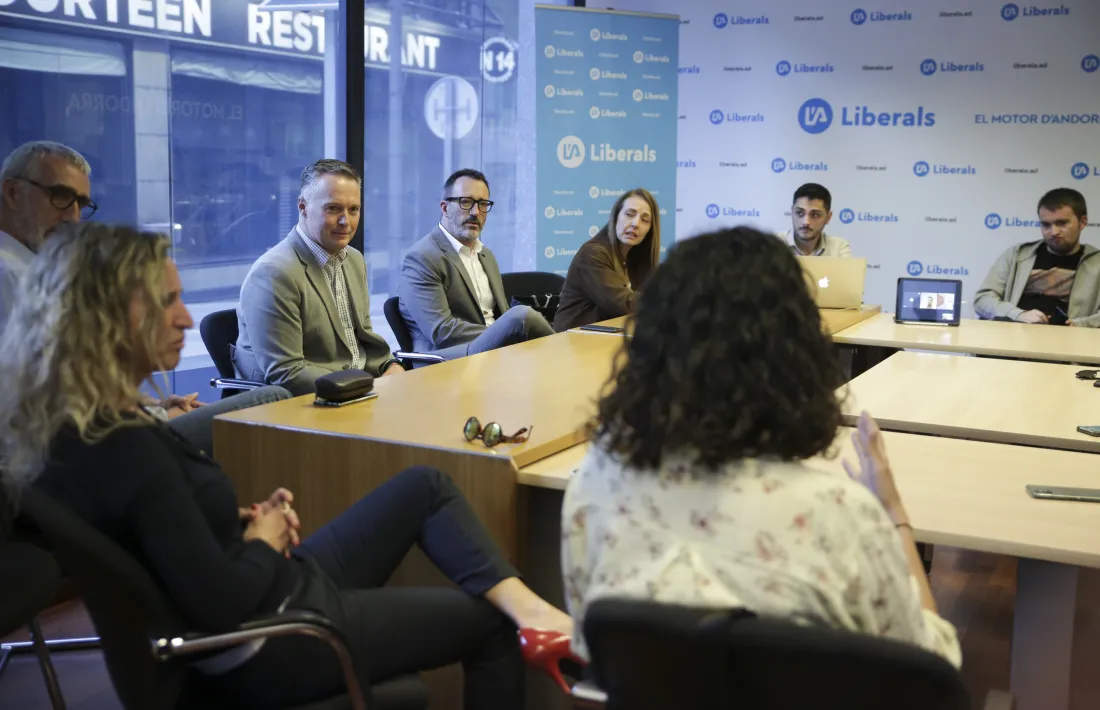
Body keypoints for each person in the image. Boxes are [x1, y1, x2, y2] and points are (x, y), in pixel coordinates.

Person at [0, 222, 579, 709]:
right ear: (105, 315)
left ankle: (531, 606)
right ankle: (531, 617)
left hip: (270, 591)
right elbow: (221, 600)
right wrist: (264, 536)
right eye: (165, 301)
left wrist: (238, 530)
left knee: (424, 486)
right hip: (269, 634)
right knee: (491, 627)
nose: (183, 318)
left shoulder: (77, 429)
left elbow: (168, 545)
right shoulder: (124, 446)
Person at [561, 226, 960, 667]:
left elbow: (588, 647)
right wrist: (895, 517)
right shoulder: (841, 515)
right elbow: (933, 663)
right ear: (796, 354)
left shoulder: (594, 485)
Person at [0, 140, 288, 456]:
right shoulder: (13, 277)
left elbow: (80, 383)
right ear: (13, 193)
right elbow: (50, 406)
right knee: (273, 398)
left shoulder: (35, 270)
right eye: (61, 197)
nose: (72, 217)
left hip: (110, 428)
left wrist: (148, 403)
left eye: (81, 204)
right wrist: (149, 414)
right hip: (88, 449)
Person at [235, 159, 405, 395]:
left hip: (359, 390)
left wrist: (390, 366)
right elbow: (286, 372)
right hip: (305, 401)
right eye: (333, 208)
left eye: (353, 209)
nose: (346, 221)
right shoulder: (274, 273)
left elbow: (362, 339)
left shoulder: (353, 260)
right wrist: (363, 387)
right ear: (303, 207)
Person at [398, 169, 554, 360]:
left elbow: (501, 315)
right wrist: (500, 331)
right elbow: (441, 331)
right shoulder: (422, 258)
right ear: (445, 207)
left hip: (494, 352)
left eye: (482, 204)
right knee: (521, 317)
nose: (475, 212)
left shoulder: (485, 255)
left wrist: (503, 333)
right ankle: (566, 352)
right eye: (466, 202)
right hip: (444, 358)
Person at [974, 188, 1097, 326]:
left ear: (1083, 222)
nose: (1053, 232)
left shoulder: (1097, 263)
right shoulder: (1016, 255)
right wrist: (1018, 314)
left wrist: (1077, 325)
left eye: (1062, 223)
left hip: (1072, 342)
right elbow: (982, 300)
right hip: (1013, 339)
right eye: (1046, 225)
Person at [553, 188, 661, 332]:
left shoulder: (637, 260)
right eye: (629, 214)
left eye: (645, 219)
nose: (636, 223)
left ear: (650, 229)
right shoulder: (593, 254)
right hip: (571, 342)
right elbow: (624, 304)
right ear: (615, 217)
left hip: (608, 337)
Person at [778, 182, 851, 257]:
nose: (806, 222)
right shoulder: (772, 246)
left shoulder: (838, 248)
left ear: (828, 217)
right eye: (800, 213)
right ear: (792, 212)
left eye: (815, 215)